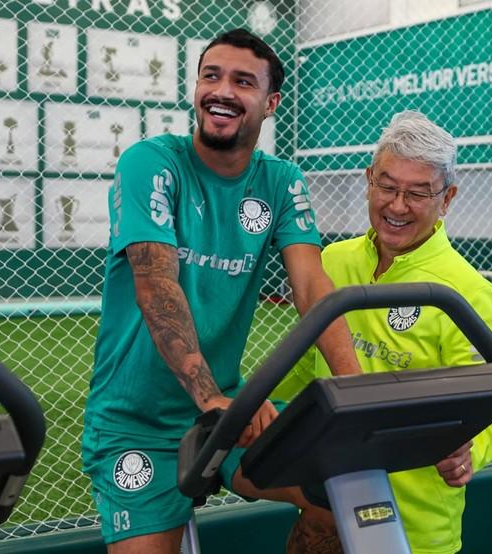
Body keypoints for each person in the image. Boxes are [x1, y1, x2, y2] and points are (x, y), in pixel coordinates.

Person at [81, 28, 361, 554]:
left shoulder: (281, 181)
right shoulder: (151, 163)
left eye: (242, 81)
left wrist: (359, 391)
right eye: (211, 75)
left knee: (338, 492)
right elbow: (155, 283)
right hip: (137, 423)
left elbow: (311, 285)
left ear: (271, 102)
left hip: (230, 409)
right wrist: (209, 398)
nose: (222, 91)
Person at [272, 111, 492, 554]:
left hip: (415, 529)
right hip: (325, 500)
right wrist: (254, 404)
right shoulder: (332, 262)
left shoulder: (468, 292)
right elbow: (305, 363)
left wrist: (472, 448)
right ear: (368, 180)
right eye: (387, 186)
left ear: (447, 199)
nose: (397, 205)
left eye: (418, 192)